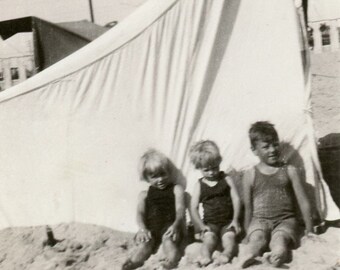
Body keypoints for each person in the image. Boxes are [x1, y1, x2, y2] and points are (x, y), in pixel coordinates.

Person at [239, 121, 313, 268]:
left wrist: (310, 231)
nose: (272, 149)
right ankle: (248, 255)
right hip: (260, 220)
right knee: (257, 239)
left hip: (285, 220)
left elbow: (303, 202)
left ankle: (276, 256)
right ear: (254, 150)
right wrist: (247, 234)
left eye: (275, 144)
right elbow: (248, 208)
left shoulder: (289, 170)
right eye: (266, 147)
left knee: (280, 240)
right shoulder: (250, 174)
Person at [122, 149, 185, 270]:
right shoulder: (144, 194)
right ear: (146, 178)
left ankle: (171, 262)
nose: (160, 179)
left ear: (169, 172)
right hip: (150, 227)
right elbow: (140, 213)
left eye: (163, 174)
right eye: (154, 177)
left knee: (168, 242)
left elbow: (180, 209)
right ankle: (132, 264)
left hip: (170, 226)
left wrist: (176, 225)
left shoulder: (176, 189)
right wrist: (142, 228)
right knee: (144, 244)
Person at [189, 140, 241, 266]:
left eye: (214, 168)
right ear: (199, 168)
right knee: (209, 239)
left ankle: (226, 255)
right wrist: (201, 226)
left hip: (227, 221)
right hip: (210, 223)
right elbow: (193, 207)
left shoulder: (226, 179)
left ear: (219, 162)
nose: (211, 172)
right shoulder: (199, 185)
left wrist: (235, 220)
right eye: (206, 170)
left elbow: (236, 199)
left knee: (229, 239)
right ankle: (205, 257)